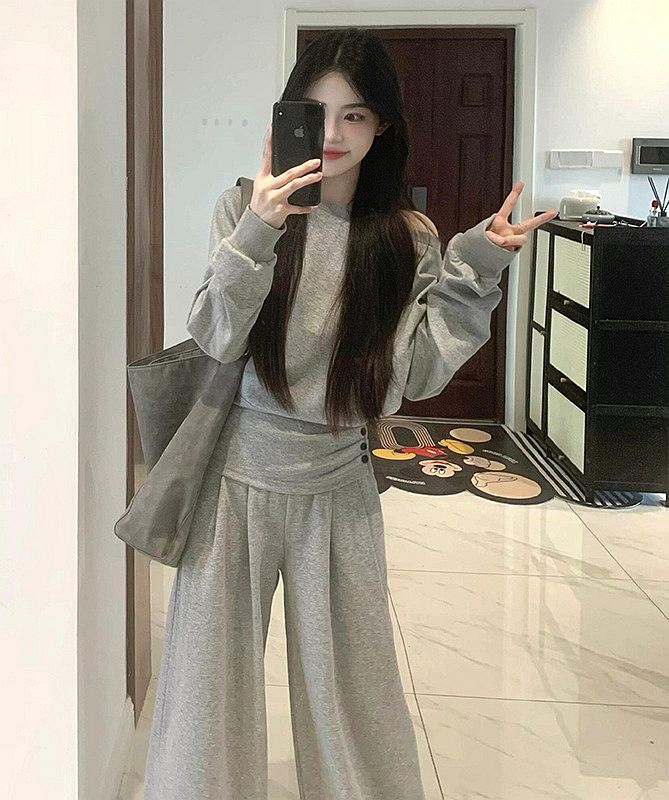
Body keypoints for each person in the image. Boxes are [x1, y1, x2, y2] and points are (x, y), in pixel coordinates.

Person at [143, 26, 557, 800]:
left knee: (353, 690)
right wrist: (259, 230)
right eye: (316, 112)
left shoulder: (405, 237)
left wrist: (476, 267)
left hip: (338, 486)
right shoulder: (243, 206)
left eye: (355, 115)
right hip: (235, 480)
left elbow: (412, 377)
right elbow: (216, 337)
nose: (333, 133)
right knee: (207, 686)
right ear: (287, 115)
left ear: (383, 126)